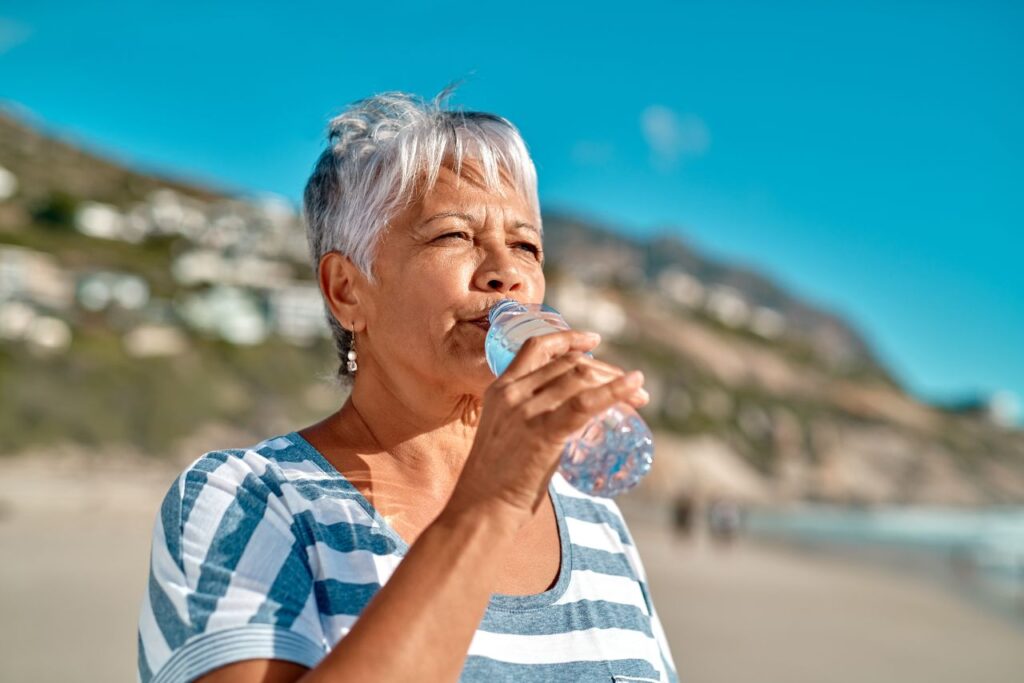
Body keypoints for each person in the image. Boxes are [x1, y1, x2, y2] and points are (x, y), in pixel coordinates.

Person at [137, 86, 679, 683]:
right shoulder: (250, 502)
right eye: (454, 236)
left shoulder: (594, 516)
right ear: (347, 290)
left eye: (526, 245)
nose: (506, 272)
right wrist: (488, 506)